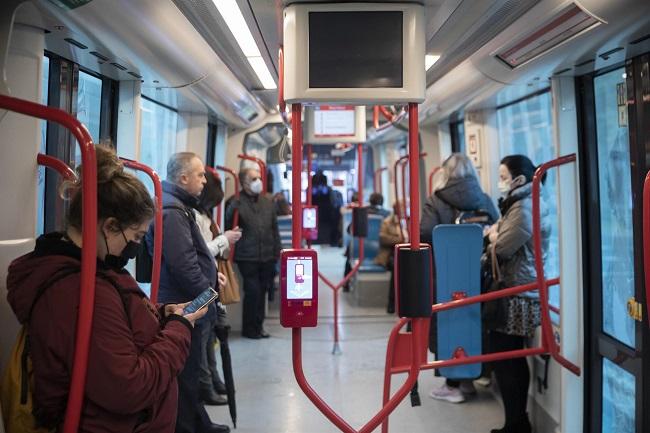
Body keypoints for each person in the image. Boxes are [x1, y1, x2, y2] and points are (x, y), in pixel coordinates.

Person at [6, 145, 206, 433]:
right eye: (135, 236)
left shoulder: (94, 272)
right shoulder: (81, 291)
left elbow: (117, 330)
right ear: (110, 226)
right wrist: (178, 328)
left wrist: (160, 314)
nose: (135, 246)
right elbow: (128, 387)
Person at [149, 152, 230, 433]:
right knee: (185, 373)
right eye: (200, 175)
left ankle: (199, 423)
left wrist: (211, 276)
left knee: (191, 372)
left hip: (191, 301)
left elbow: (193, 259)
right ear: (183, 178)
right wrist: (210, 296)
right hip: (184, 305)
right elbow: (183, 266)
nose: (204, 180)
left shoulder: (179, 207)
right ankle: (186, 427)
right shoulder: (173, 213)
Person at [421, 153, 498, 404]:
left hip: (445, 271)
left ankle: (452, 382)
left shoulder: (436, 200)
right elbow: (496, 227)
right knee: (473, 319)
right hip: (478, 272)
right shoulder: (484, 199)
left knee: (447, 320)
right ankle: (469, 378)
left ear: (445, 173)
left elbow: (425, 233)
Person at [485, 154, 550, 433]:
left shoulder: (524, 208)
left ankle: (517, 423)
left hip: (519, 293)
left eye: (502, 177)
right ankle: (515, 421)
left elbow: (501, 248)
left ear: (518, 179)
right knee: (506, 357)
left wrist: (492, 237)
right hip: (515, 288)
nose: (500, 183)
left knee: (508, 357)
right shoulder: (518, 204)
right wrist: (495, 234)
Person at [194, 170, 242, 406]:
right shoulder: (194, 216)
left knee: (210, 334)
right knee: (202, 338)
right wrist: (225, 239)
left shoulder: (204, 214)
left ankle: (213, 379)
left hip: (210, 282)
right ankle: (206, 387)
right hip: (201, 285)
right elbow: (203, 251)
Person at [225, 168, 281, 339]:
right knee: (253, 291)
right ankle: (249, 329)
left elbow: (274, 228)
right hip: (247, 256)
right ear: (244, 183)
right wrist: (232, 208)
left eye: (259, 177)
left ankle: (259, 326)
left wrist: (277, 250)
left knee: (263, 291)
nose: (258, 181)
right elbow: (228, 224)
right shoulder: (235, 202)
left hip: (267, 255)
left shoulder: (267, 202)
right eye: (254, 178)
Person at [375, 200, 407, 314]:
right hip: (390, 254)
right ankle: (392, 302)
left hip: (406, 253)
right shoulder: (387, 222)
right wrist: (400, 241)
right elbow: (383, 239)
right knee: (396, 268)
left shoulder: (409, 221)